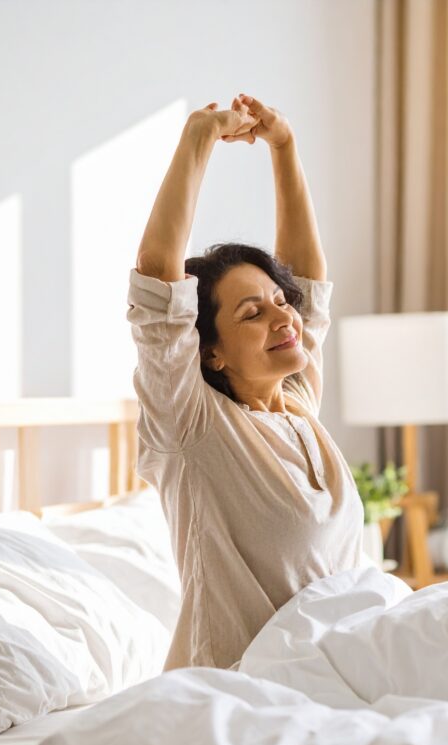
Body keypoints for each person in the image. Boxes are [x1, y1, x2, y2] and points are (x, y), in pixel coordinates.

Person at [128, 94, 367, 672]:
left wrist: (284, 147)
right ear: (208, 351)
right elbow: (159, 286)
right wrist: (199, 137)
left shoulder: (296, 404)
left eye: (280, 303)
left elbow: (307, 283)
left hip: (338, 671)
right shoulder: (192, 427)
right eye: (251, 314)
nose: (284, 318)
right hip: (239, 692)